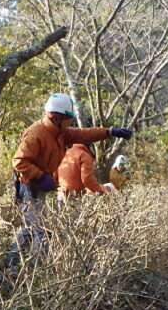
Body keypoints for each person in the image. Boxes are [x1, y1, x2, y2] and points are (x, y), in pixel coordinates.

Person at [7, 93, 132, 267]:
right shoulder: (36, 133)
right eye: (68, 118)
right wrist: (40, 175)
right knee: (42, 231)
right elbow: (19, 161)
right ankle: (35, 270)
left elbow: (83, 134)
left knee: (31, 228)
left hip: (38, 186)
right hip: (28, 186)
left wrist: (109, 132)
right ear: (56, 117)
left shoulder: (60, 133)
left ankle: (9, 263)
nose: (70, 122)